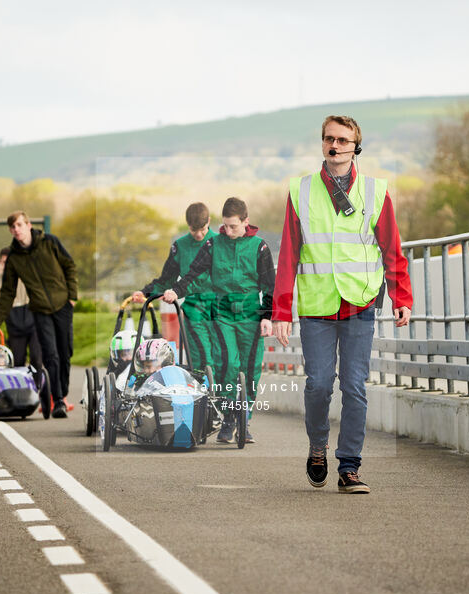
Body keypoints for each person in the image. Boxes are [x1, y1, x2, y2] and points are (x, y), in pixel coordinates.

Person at [272, 115, 413, 494]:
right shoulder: (300, 190)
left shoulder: (374, 191)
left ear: (356, 147)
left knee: (354, 387)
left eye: (342, 140)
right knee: (319, 385)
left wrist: (402, 297)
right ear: (322, 144)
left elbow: (392, 248)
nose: (334, 146)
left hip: (359, 302)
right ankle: (318, 446)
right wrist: (281, 311)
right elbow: (289, 255)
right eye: (328, 139)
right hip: (317, 305)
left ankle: (349, 466)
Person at [162, 197, 275, 444]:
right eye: (225, 226)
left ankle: (244, 419)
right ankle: (228, 418)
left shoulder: (260, 247)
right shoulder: (213, 244)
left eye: (234, 226)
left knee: (251, 370)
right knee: (228, 364)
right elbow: (193, 273)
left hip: (250, 315)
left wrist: (267, 317)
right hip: (222, 313)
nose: (229, 231)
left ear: (246, 221)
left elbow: (269, 287)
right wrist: (176, 291)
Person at [0, 211, 78, 419]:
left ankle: (62, 392)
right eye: (12, 228)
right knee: (51, 355)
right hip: (39, 310)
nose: (16, 230)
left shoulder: (50, 242)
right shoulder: (14, 258)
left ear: (28, 225)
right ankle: (58, 401)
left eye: (19, 225)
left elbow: (69, 266)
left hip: (63, 305)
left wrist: (72, 296)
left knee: (65, 352)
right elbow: (8, 292)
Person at [132, 202, 217, 375]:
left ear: (209, 221)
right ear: (188, 226)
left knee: (223, 357)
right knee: (202, 356)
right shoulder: (180, 247)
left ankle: (226, 396)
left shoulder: (220, 244)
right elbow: (166, 279)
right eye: (194, 230)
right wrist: (145, 291)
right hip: (195, 309)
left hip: (220, 306)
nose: (199, 234)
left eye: (203, 229)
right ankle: (204, 395)